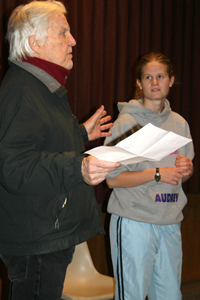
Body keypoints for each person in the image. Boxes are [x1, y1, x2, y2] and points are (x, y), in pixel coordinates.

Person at [0, 1, 120, 299]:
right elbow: (14, 166)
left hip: (47, 233)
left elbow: (42, 143)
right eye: (63, 32)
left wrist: (80, 133)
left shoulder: (41, 86)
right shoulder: (22, 90)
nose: (73, 40)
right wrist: (77, 167)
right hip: (38, 239)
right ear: (34, 43)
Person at [104, 52, 194, 300]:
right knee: (131, 296)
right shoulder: (127, 123)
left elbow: (180, 175)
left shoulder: (180, 124)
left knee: (170, 297)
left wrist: (186, 171)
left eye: (160, 76)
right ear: (139, 83)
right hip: (134, 222)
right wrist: (157, 174)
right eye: (148, 77)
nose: (155, 82)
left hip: (169, 221)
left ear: (171, 80)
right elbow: (112, 179)